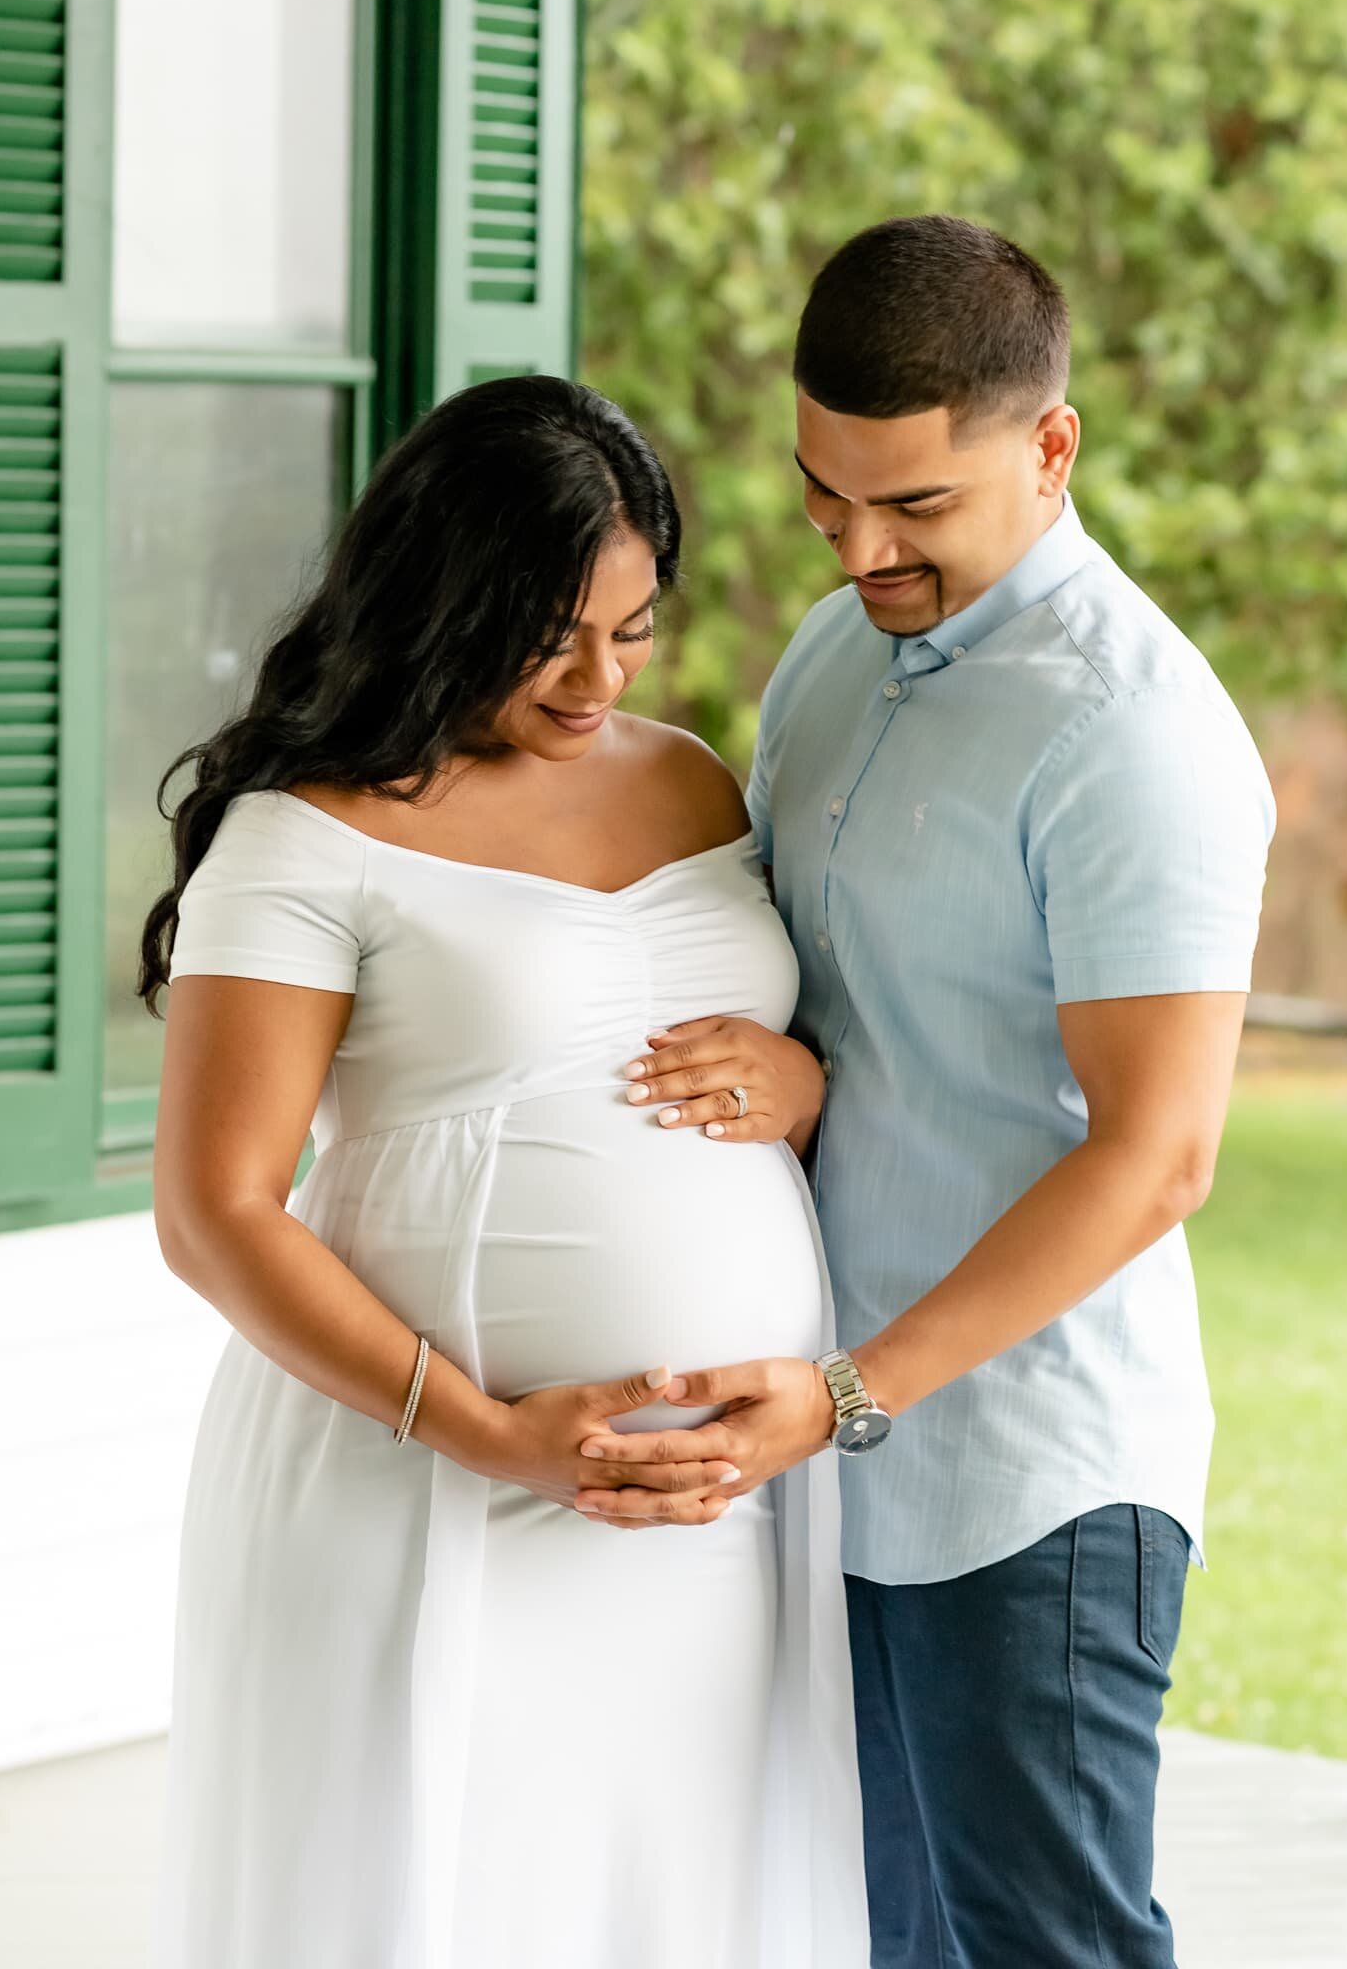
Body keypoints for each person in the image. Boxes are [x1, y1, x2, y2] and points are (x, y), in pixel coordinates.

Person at [574, 216, 1278, 1967]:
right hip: (830, 1458)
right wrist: (800, 1070)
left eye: (914, 510)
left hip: (1022, 1482)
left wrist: (846, 1396)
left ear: (1048, 449)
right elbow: (839, 1000)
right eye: (826, 497)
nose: (863, 548)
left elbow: (1156, 1153)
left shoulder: (1134, 735)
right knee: (879, 1939)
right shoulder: (833, 655)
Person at [142, 376, 871, 1968]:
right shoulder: (306, 834)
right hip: (427, 1486)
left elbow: (758, 1045)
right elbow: (213, 1215)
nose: (596, 678)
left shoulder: (688, 779)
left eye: (633, 629)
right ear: (441, 597)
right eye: (551, 633)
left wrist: (799, 1077)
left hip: (703, 1519)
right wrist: (491, 1435)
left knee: (673, 1897)